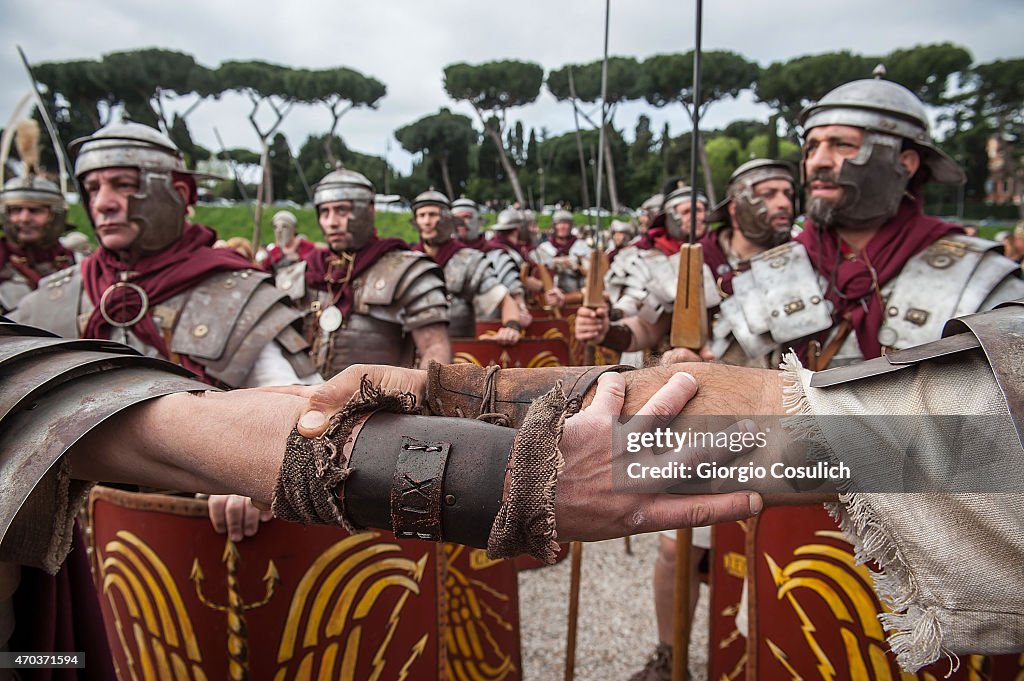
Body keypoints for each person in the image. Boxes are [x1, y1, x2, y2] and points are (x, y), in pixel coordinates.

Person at [301, 168, 451, 376]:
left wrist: (415, 397)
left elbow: (435, 351)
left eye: (342, 210)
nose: (331, 222)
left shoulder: (406, 271)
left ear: (369, 210)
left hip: (382, 404)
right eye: (325, 212)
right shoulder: (308, 272)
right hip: (307, 402)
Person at [409, 188, 521, 343]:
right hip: (413, 355)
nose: (427, 221)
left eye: (433, 215)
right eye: (421, 215)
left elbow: (505, 300)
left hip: (457, 354)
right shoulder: (408, 260)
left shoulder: (469, 260)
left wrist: (511, 326)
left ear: (446, 218)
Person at [0, 155, 76, 314]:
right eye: (16, 210)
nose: (24, 218)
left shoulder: (76, 262)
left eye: (35, 211)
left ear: (55, 215)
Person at [529, 208, 591, 298]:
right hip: (551, 294)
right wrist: (554, 262)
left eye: (566, 224)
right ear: (555, 226)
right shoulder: (544, 247)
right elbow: (537, 271)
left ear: (570, 226)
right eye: (559, 223)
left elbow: (590, 272)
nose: (562, 227)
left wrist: (576, 267)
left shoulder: (581, 246)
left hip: (577, 293)